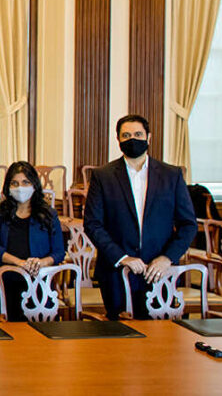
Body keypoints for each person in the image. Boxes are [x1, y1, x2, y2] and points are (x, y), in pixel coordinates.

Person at [83, 114, 197, 319]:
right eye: (126, 135)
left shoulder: (171, 175)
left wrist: (167, 258)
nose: (132, 139)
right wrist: (122, 257)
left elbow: (188, 225)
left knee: (161, 339)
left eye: (137, 134)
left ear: (148, 137)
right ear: (118, 140)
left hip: (160, 270)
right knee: (119, 339)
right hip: (117, 271)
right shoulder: (103, 175)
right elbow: (93, 224)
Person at [0, 160, 65, 319]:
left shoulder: (49, 214)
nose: (20, 187)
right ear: (8, 187)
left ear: (34, 184)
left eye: (25, 182)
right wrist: (19, 262)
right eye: (14, 183)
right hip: (4, 283)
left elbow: (59, 252)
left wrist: (40, 262)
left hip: (39, 282)